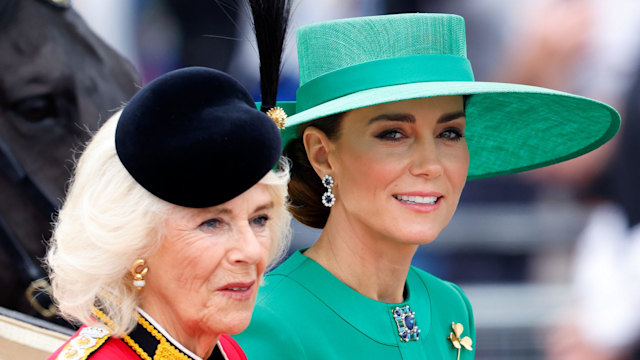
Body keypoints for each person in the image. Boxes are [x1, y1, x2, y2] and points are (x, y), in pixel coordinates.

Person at [233, 13, 620, 359]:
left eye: (449, 133)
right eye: (393, 134)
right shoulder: (265, 322)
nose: (431, 165)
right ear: (322, 154)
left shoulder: (450, 307)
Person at [46, 66, 291, 360]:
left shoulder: (226, 350)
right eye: (212, 223)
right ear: (134, 244)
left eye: (259, 219)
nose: (251, 251)